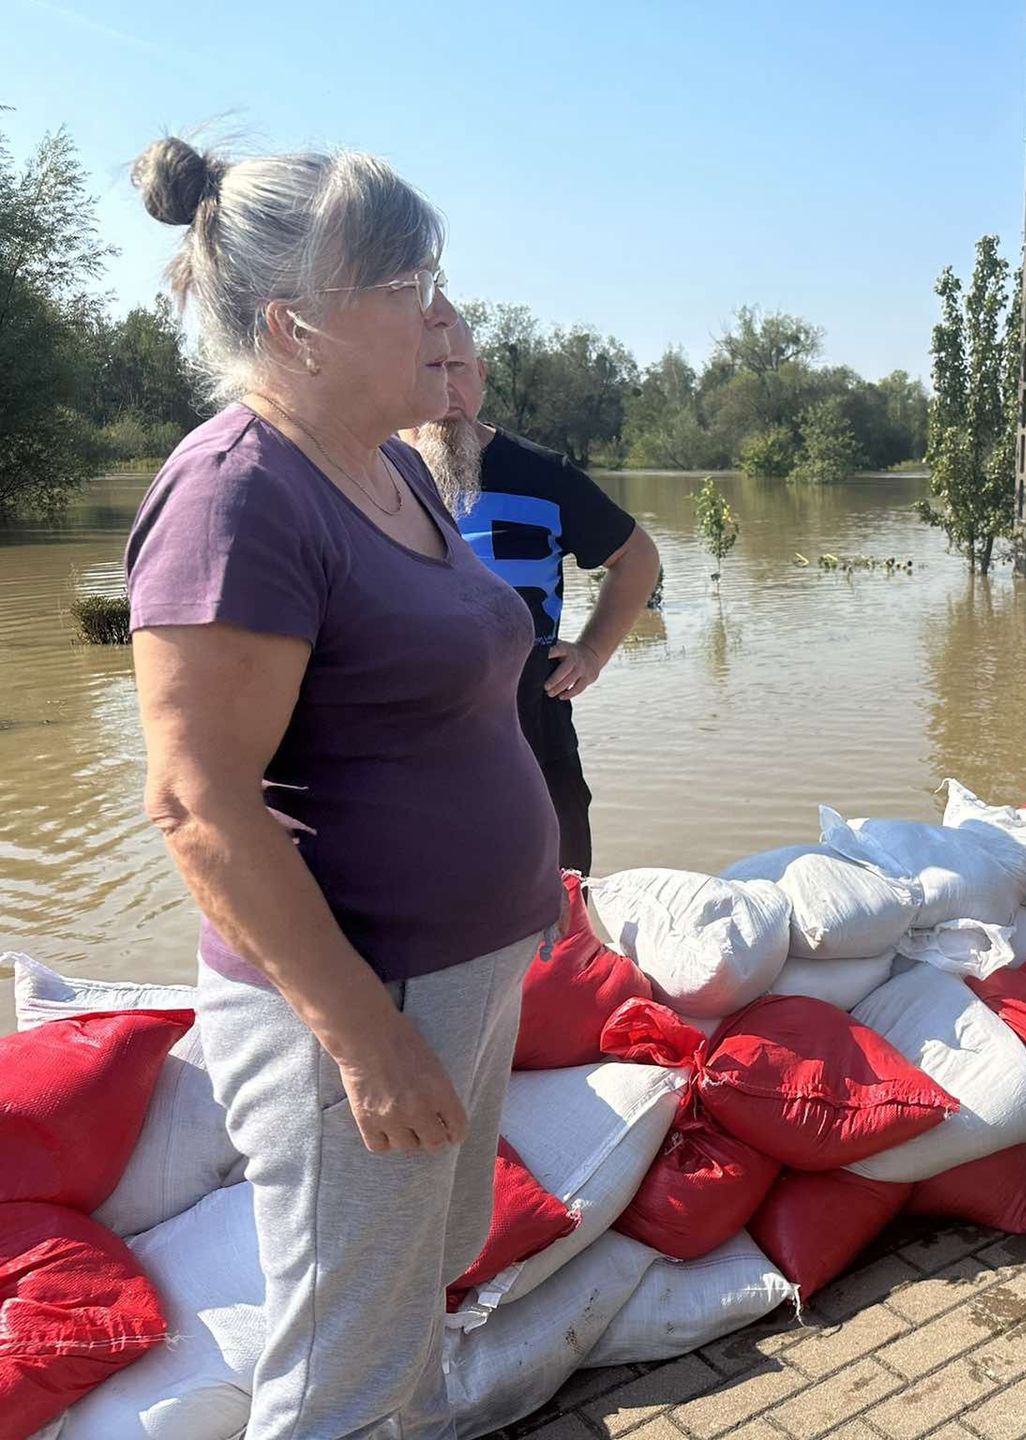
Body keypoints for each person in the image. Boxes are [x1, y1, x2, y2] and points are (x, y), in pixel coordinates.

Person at [124, 136, 561, 1438]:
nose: (442, 311)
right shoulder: (236, 498)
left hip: (455, 976)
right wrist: (367, 1040)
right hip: (355, 1005)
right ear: (296, 326)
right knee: (338, 1385)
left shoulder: (400, 469)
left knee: (409, 1292)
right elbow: (198, 804)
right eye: (404, 282)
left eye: (437, 275)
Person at [405, 316, 659, 873]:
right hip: (414, 732)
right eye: (429, 367)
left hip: (532, 719)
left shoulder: (545, 475)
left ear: (483, 375)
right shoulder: (367, 472)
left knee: (560, 885)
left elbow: (637, 558)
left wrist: (592, 652)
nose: (447, 388)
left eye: (459, 368)